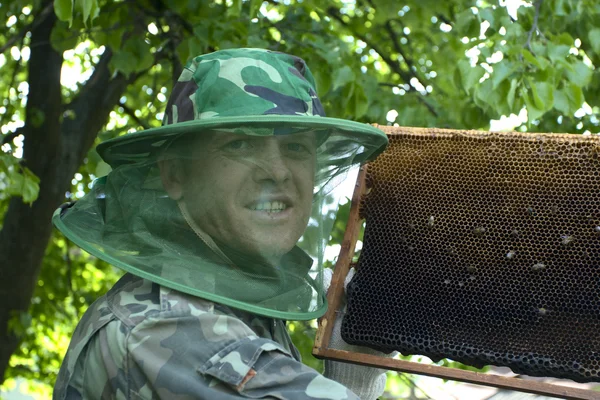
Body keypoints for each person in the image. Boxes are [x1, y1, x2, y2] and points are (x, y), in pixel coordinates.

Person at [53, 48, 389, 399]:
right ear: (176, 173)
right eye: (241, 143)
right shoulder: (161, 326)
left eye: (296, 148)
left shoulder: (237, 297)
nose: (276, 171)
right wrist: (354, 387)